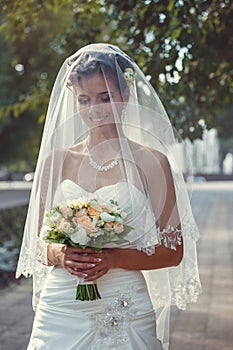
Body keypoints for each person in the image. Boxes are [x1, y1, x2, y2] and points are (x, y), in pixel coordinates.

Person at [16, 43, 201, 350]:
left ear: (126, 97)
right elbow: (36, 246)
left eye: (106, 97)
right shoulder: (55, 162)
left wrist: (113, 258)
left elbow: (173, 251)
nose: (95, 109)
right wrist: (60, 254)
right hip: (61, 306)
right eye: (84, 100)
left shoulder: (152, 162)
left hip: (123, 302)